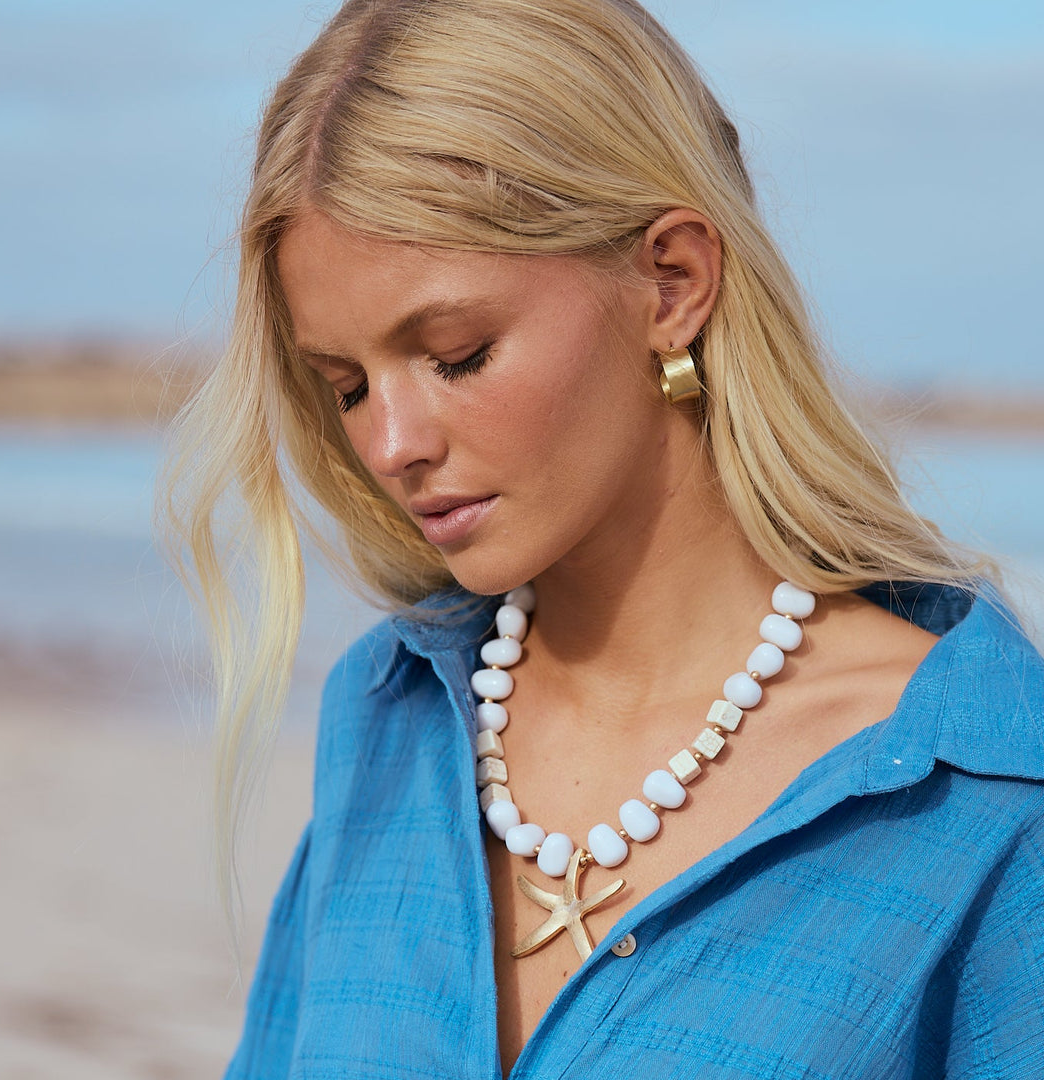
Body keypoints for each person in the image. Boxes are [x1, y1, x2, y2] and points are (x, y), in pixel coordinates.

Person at [162, 0, 1044, 1076]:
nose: (389, 444)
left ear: (671, 283)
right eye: (344, 386)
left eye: (457, 354)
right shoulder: (393, 719)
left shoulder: (982, 797)